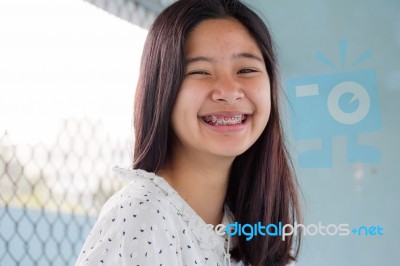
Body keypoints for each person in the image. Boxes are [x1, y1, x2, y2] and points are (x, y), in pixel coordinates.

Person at [76, 0, 302, 265]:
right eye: (200, 71)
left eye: (247, 70)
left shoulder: (247, 227)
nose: (229, 91)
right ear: (161, 91)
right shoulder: (141, 216)